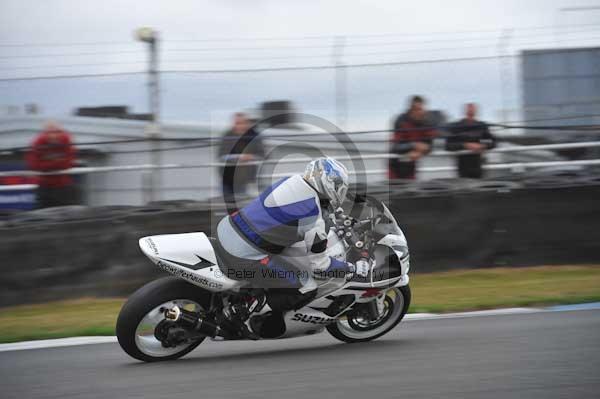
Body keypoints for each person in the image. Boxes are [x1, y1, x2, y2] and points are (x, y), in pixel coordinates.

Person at [215, 157, 370, 338]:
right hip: (243, 254)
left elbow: (297, 213)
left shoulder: (292, 181)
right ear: (331, 186)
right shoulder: (313, 219)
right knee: (306, 286)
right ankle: (239, 311)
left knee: (286, 263)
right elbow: (320, 266)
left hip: (228, 227)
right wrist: (351, 268)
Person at [25, 121, 78, 208]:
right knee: (41, 214)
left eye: (56, 132)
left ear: (61, 132)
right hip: (44, 186)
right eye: (49, 132)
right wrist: (57, 162)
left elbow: (68, 164)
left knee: (66, 214)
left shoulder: (66, 140)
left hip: (63, 186)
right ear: (44, 134)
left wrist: (46, 164)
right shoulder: (38, 142)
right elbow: (33, 165)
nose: (53, 135)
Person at [218, 113, 265, 202]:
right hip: (228, 179)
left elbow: (262, 155)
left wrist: (251, 157)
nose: (239, 126)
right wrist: (235, 157)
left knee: (244, 205)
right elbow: (221, 155)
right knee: (227, 205)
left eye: (242, 123)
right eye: (237, 123)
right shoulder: (227, 136)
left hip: (247, 180)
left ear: (247, 123)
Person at [389, 95, 437, 179]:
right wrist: (414, 145)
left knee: (411, 190)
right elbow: (395, 147)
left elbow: (430, 146)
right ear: (411, 110)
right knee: (394, 190)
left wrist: (420, 152)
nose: (421, 112)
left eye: (422, 109)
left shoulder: (426, 123)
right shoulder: (400, 121)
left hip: (412, 167)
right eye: (418, 110)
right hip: (395, 166)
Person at [446, 103, 497, 178]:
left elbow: (494, 142)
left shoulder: (481, 126)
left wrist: (482, 146)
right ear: (465, 111)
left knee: (479, 186)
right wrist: (466, 145)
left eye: (472, 110)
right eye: (469, 109)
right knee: (464, 187)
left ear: (476, 111)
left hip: (478, 165)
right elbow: (448, 146)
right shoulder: (456, 126)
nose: (471, 112)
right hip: (462, 166)